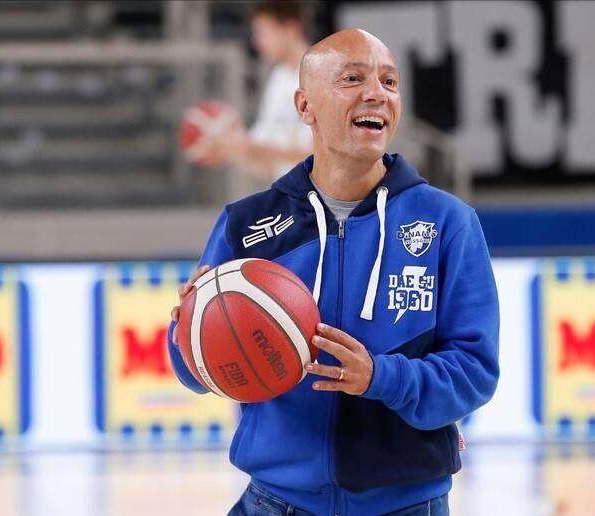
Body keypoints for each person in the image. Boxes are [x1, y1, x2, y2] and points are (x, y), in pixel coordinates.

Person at [169, 28, 500, 516]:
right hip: (275, 501)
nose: (377, 94)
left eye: (390, 82)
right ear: (305, 106)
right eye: (353, 79)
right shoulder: (245, 224)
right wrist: (189, 329)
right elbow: (195, 374)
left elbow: (475, 372)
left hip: (408, 505)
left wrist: (380, 377)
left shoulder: (447, 222)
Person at [206, 1, 312, 181]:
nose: (257, 42)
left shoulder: (324, 76)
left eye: (263, 32)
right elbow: (267, 165)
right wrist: (228, 150)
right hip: (292, 192)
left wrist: (253, 149)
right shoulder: (279, 77)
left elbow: (326, 156)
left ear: (290, 29)